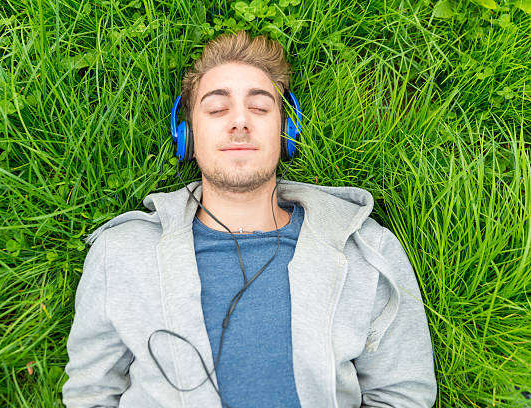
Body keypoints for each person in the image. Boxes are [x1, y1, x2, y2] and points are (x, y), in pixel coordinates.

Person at [62, 31, 437, 408]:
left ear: (286, 131)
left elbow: (403, 394)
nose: (240, 122)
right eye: (216, 109)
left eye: (259, 108)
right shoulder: (122, 252)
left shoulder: (366, 250)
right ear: (186, 133)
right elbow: (90, 393)